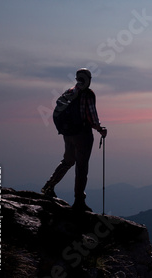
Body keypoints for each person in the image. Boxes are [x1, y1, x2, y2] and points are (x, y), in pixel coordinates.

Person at [41, 68, 107, 212]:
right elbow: (92, 116)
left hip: (68, 134)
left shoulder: (70, 92)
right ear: (88, 79)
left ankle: (48, 187)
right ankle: (79, 201)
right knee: (82, 167)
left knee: (68, 161)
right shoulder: (87, 94)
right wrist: (100, 129)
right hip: (82, 135)